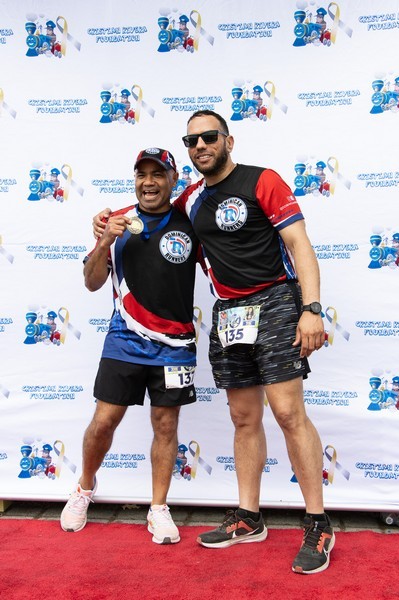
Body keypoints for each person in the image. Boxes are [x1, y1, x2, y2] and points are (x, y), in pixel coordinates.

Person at [93, 111, 334, 574]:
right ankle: (249, 517)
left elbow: (300, 245)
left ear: (228, 140)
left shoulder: (262, 180)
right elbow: (147, 209)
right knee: (243, 418)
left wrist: (312, 308)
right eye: (192, 141)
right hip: (229, 313)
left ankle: (318, 523)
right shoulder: (191, 199)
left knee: (288, 413)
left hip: (276, 301)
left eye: (208, 137)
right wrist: (104, 220)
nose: (200, 145)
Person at [60, 147, 200, 545]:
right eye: (142, 174)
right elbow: (91, 282)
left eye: (158, 174)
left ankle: (158, 508)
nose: (149, 182)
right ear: (135, 179)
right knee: (104, 421)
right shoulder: (116, 221)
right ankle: (85, 487)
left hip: (175, 345)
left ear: (174, 180)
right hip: (124, 340)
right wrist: (104, 240)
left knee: (166, 425)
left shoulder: (190, 221)